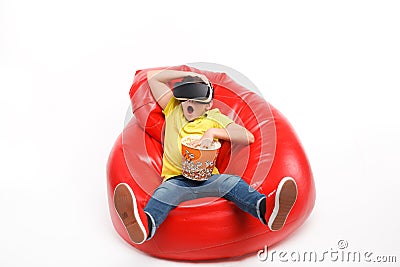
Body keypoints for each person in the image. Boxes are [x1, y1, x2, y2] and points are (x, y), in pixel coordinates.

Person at [113, 69, 298, 244]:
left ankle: (266, 209)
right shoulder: (173, 109)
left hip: (209, 179)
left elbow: (247, 136)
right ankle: (145, 225)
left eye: (196, 99)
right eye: (185, 99)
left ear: (208, 104)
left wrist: (212, 132)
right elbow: (153, 78)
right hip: (176, 180)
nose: (189, 104)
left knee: (232, 182)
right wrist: (189, 74)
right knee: (163, 194)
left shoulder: (214, 117)